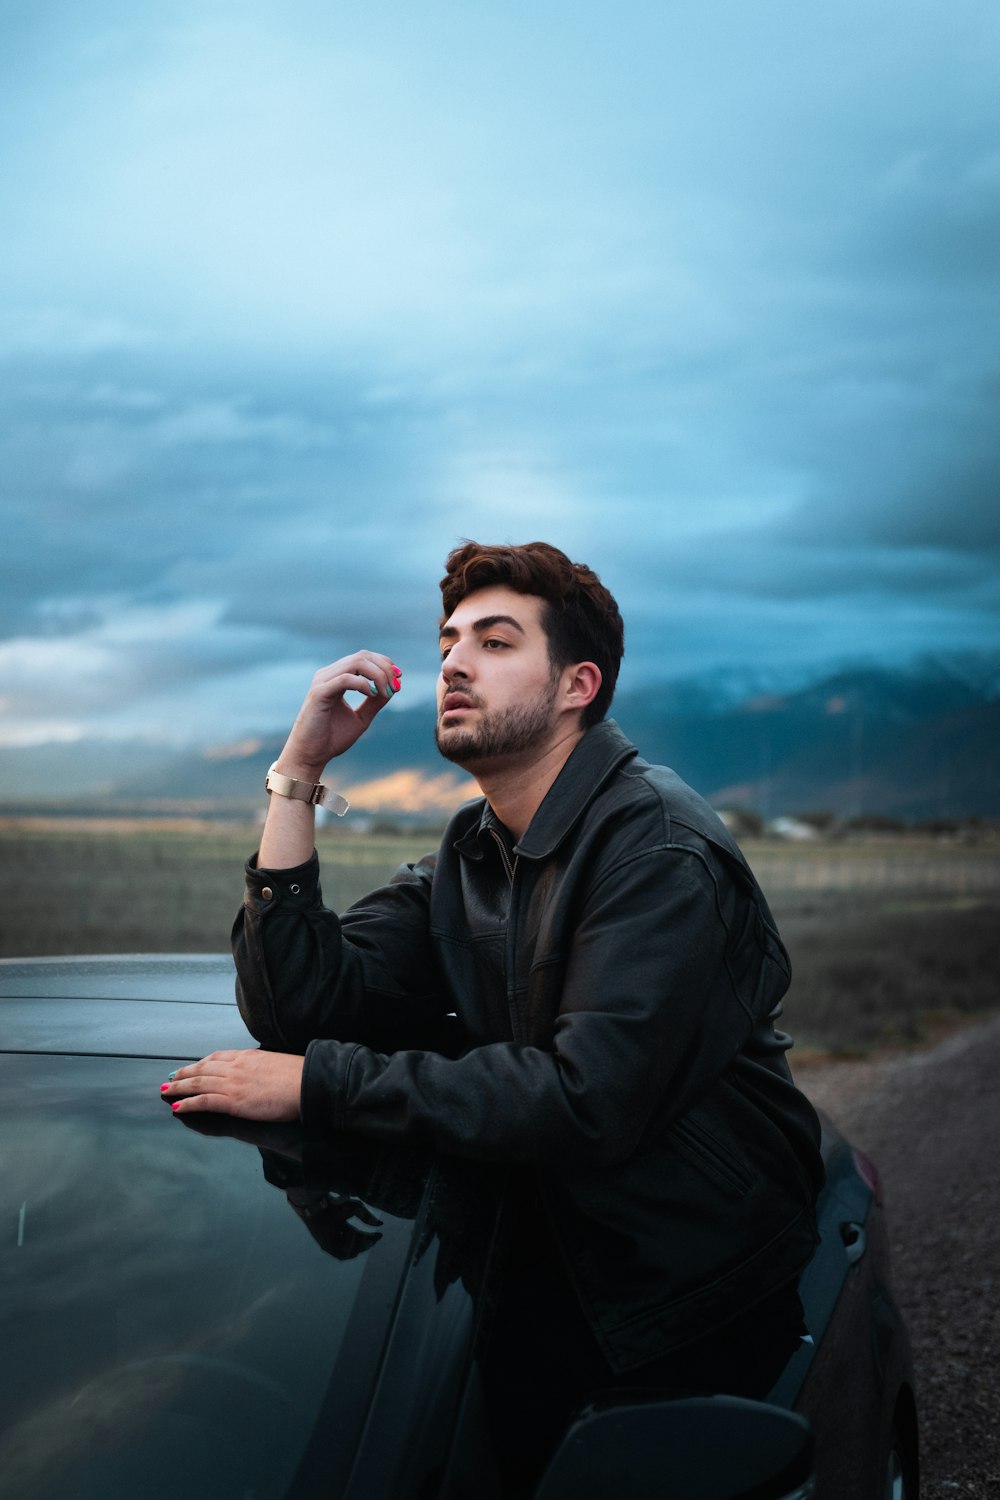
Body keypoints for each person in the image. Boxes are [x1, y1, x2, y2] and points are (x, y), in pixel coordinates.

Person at [162, 541, 823, 1478]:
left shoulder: (658, 854)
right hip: (524, 1268)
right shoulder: (475, 852)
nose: (454, 663)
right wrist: (297, 771)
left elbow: (583, 1100)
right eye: (446, 644)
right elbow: (298, 1009)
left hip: (672, 1314)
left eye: (496, 642)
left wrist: (324, 1088)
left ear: (576, 685)